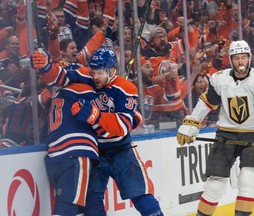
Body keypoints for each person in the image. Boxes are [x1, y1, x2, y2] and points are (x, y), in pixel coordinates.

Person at [31, 48, 163, 216]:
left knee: (140, 194)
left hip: (121, 150)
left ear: (112, 70)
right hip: (96, 154)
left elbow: (123, 126)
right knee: (92, 204)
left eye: (100, 73)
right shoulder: (87, 75)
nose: (95, 77)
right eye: (93, 71)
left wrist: (94, 116)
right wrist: (46, 67)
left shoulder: (125, 88)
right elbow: (62, 77)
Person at [176, 40, 254, 216]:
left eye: (244, 58)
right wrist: (192, 123)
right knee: (214, 185)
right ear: (230, 60)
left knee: (248, 180)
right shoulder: (219, 79)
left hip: (253, 135)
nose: (240, 62)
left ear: (250, 58)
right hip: (226, 133)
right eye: (237, 58)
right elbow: (206, 103)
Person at [31, 50, 101, 215]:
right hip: (76, 152)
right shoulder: (85, 89)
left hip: (54, 156)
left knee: (71, 206)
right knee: (68, 209)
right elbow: (101, 123)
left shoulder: (57, 94)